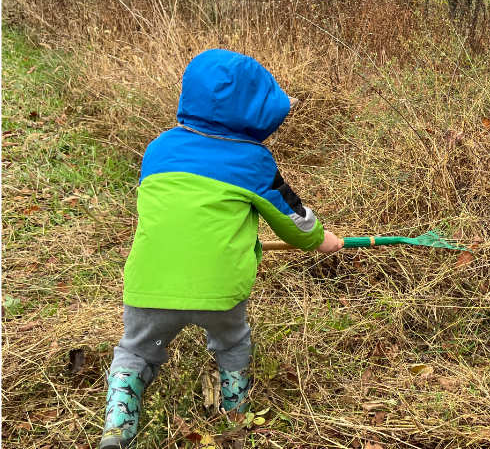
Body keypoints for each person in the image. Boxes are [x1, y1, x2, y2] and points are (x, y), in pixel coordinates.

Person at [100, 49, 344, 448]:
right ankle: (234, 417)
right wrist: (323, 240)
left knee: (139, 349)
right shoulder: (252, 161)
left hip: (149, 286)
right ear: (255, 112)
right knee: (231, 343)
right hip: (218, 292)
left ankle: (118, 427)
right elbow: (293, 219)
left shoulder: (158, 150)